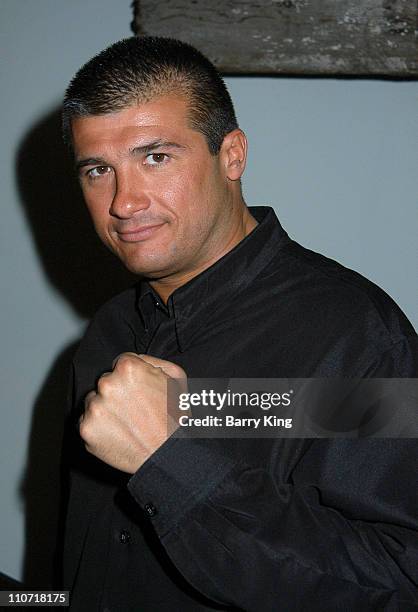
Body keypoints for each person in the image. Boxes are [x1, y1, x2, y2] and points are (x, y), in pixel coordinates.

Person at [60, 36, 418, 611]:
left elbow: (399, 583)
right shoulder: (108, 331)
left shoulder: (351, 336)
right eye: (98, 169)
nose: (124, 202)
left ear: (232, 154)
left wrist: (171, 464)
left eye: (156, 157)